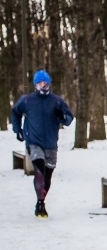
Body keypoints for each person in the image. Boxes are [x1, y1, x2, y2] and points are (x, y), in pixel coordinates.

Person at [11, 69, 74, 218]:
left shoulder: (56, 101)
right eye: (39, 83)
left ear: (49, 83)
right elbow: (15, 111)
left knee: (47, 176)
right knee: (39, 170)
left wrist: (62, 117)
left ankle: (41, 202)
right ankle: (40, 203)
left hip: (51, 143)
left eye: (44, 83)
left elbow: (69, 119)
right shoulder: (27, 100)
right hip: (33, 141)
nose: (42, 86)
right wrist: (17, 129)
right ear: (35, 85)